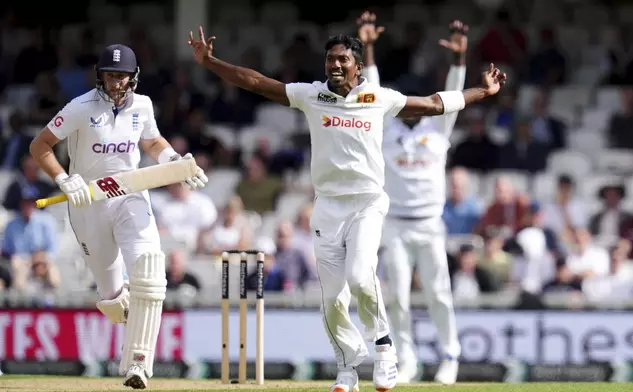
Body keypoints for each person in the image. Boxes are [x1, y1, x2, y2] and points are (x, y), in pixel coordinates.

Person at [188, 25, 505, 392]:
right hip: (327, 207)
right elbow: (257, 82)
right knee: (333, 298)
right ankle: (347, 368)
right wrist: (210, 62)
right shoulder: (311, 95)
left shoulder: (378, 98)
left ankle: (384, 349)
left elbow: (434, 103)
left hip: (368, 203)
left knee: (360, 276)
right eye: (330, 58)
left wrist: (483, 91)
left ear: (357, 67)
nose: (335, 64)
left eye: (343, 59)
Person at [29, 44, 208, 389]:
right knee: (113, 301)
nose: (115, 83)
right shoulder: (80, 107)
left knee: (150, 272)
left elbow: (152, 143)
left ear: (133, 77)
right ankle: (125, 305)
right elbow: (40, 146)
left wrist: (173, 161)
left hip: (129, 195)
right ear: (100, 77)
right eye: (110, 76)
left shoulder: (143, 105)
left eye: (121, 76)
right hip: (88, 204)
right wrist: (65, 178)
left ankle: (137, 365)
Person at [359, 13, 465, 385]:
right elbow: (371, 90)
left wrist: (458, 60)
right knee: (398, 299)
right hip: (396, 225)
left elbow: (454, 96)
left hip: (430, 224)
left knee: (439, 294)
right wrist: (368, 48)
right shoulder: (383, 129)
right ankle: (407, 361)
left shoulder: (438, 127)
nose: (410, 108)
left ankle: (450, 357)